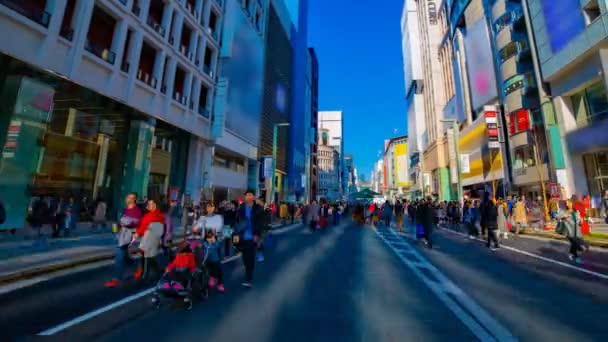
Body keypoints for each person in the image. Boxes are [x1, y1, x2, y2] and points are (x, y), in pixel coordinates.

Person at [105, 193, 143, 287]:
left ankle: (117, 278)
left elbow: (137, 223)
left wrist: (126, 223)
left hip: (129, 236)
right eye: (127, 197)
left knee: (119, 256)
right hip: (121, 235)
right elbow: (121, 221)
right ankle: (138, 268)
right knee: (125, 257)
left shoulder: (137, 210)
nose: (127, 199)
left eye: (130, 197)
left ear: (134, 199)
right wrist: (117, 226)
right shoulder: (125, 209)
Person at [234, 189, 263, 287]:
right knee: (244, 257)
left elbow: (260, 222)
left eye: (251, 195)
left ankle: (248, 278)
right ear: (245, 197)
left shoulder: (258, 208)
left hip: (252, 236)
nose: (249, 197)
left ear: (254, 197)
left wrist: (257, 235)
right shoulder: (241, 207)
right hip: (242, 236)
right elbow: (237, 220)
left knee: (250, 257)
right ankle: (248, 269)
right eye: (247, 195)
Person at [132, 199, 165, 280]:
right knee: (145, 255)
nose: (147, 206)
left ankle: (145, 275)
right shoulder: (148, 215)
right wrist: (137, 232)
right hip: (146, 238)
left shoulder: (158, 215)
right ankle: (156, 271)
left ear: (155, 205)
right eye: (147, 204)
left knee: (147, 255)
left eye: (149, 204)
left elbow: (146, 225)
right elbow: (142, 224)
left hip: (152, 238)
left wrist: (138, 232)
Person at [204, 228, 225, 293]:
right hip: (208, 260)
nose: (210, 238)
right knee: (210, 271)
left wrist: (216, 240)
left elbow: (218, 245)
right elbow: (209, 248)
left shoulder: (215, 242)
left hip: (215, 260)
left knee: (219, 273)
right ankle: (212, 279)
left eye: (212, 236)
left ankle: (220, 284)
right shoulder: (205, 243)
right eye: (209, 236)